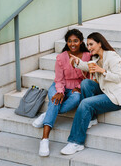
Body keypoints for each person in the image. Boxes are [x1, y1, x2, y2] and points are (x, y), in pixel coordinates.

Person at [60, 32, 121, 155]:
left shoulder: (113, 57)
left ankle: (76, 142)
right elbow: (87, 66)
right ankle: (92, 118)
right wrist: (77, 61)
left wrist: (102, 71)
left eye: (91, 44)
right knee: (86, 83)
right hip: (104, 90)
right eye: (87, 45)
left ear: (100, 43)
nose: (89, 47)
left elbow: (118, 78)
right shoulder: (96, 58)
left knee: (85, 104)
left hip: (115, 97)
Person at [32, 29, 90, 157]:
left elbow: (90, 76)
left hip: (76, 88)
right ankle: (44, 139)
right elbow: (59, 79)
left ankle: (47, 114)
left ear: (81, 41)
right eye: (69, 41)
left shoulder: (87, 56)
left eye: (75, 41)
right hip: (59, 85)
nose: (72, 43)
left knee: (75, 99)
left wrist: (80, 87)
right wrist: (60, 92)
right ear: (66, 43)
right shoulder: (61, 57)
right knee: (55, 100)